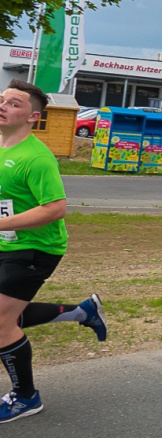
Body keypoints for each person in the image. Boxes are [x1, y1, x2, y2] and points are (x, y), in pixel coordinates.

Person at [0, 80, 108, 423]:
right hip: (7, 242)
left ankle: (26, 397)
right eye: (2, 99)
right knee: (7, 315)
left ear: (33, 117)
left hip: (36, 247)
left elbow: (55, 208)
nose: (3, 105)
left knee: (0, 321)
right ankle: (82, 312)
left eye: (14, 103)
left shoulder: (37, 157)